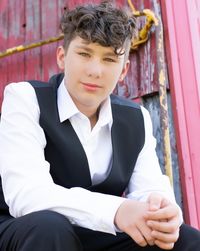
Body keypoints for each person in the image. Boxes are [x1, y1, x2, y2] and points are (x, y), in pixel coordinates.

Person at [0, 1, 199, 251]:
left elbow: (149, 189)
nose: (95, 71)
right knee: (49, 227)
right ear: (62, 57)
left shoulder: (136, 118)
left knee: (186, 239)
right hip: (22, 229)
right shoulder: (25, 98)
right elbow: (27, 195)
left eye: (109, 59)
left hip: (96, 232)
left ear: (124, 69)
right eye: (84, 54)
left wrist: (163, 214)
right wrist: (117, 210)